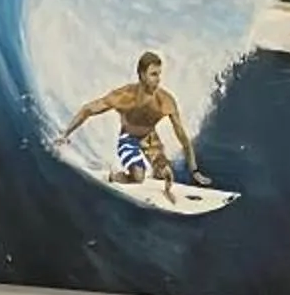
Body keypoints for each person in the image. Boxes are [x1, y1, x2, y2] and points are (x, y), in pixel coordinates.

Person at [56, 51, 205, 198]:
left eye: (159, 74)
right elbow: (88, 109)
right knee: (138, 177)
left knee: (165, 173)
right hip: (128, 137)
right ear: (141, 74)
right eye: (153, 74)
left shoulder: (165, 101)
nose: (158, 79)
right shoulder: (124, 96)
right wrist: (65, 134)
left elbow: (183, 138)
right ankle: (114, 177)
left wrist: (194, 170)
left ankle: (159, 174)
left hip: (149, 138)